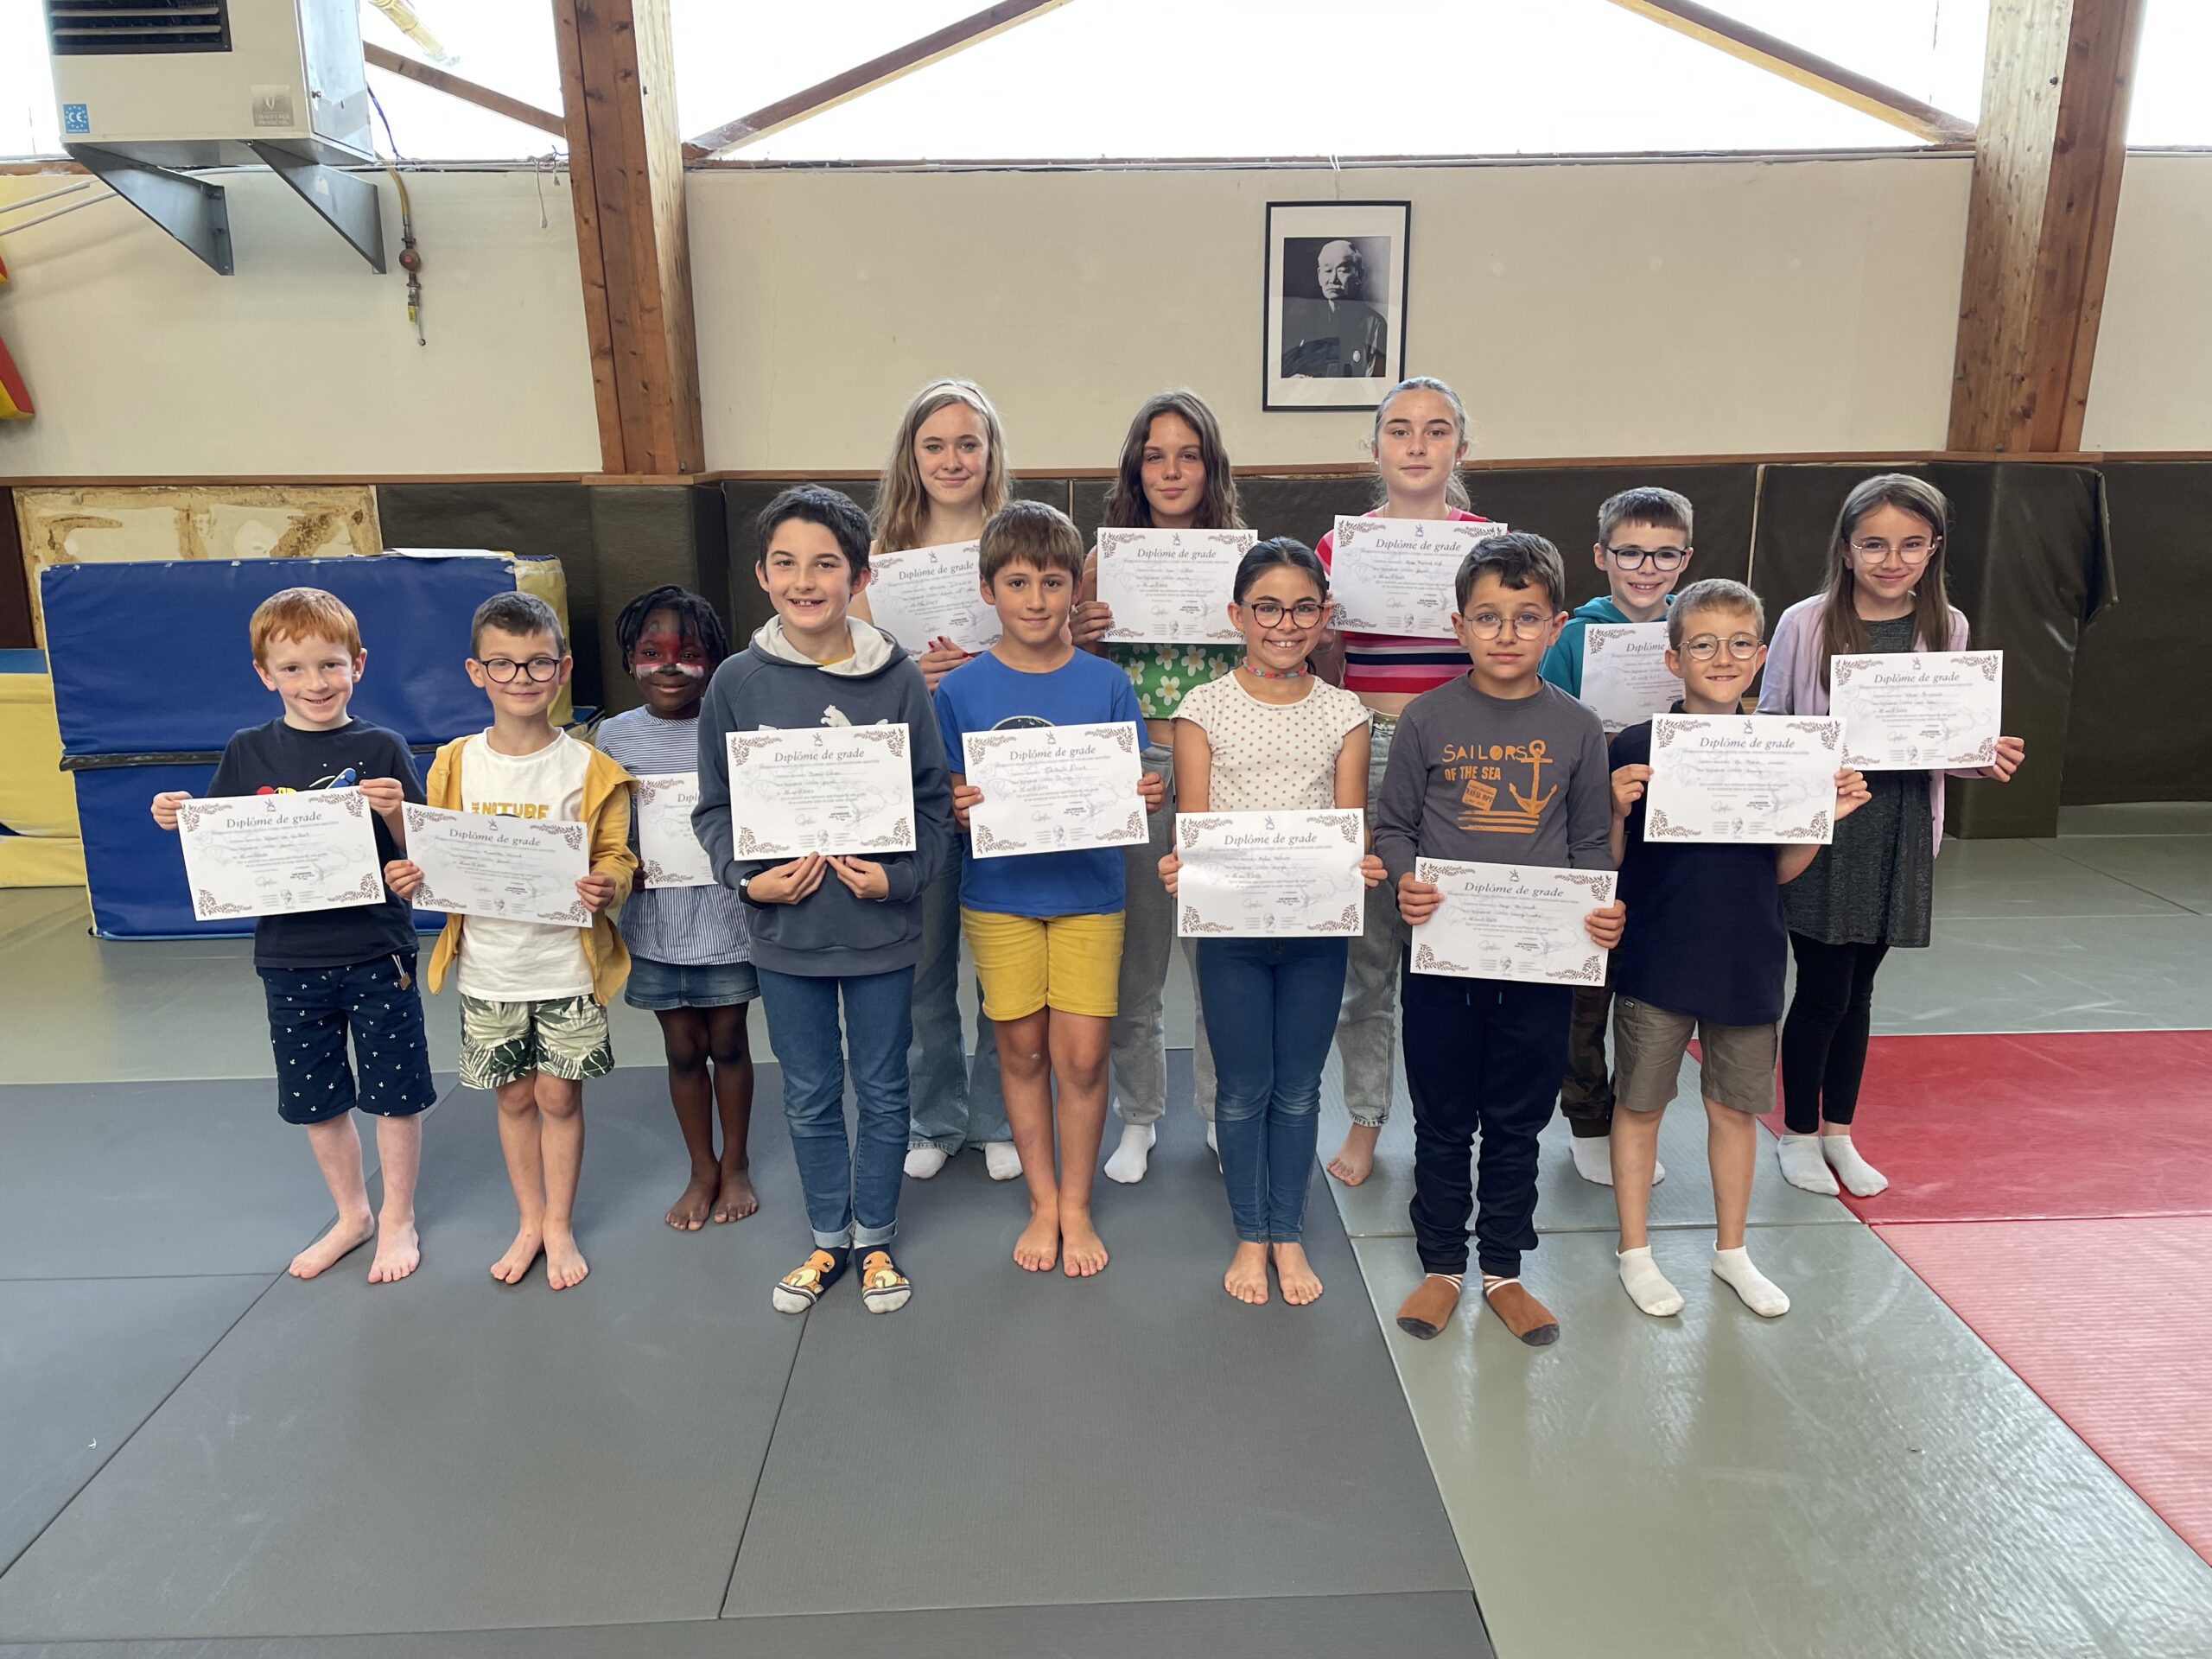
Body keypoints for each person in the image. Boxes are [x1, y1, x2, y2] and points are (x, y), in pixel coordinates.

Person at [694, 485, 953, 1315]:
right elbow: (713, 809)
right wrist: (745, 877)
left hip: (880, 931)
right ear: (763, 577)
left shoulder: (900, 679)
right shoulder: (736, 683)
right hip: (786, 935)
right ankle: (827, 1238)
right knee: (807, 1094)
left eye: (826, 564)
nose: (806, 580)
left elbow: (934, 808)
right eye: (786, 564)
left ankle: (875, 1237)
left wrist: (899, 878)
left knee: (882, 1091)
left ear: (860, 575)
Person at [1376, 533, 1624, 1347]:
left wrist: (1599, 911)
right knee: (1444, 1118)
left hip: (1541, 966)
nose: (1506, 634)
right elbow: (1394, 825)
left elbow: (1591, 843)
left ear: (1556, 626)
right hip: (1444, 956)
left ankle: (1505, 1268)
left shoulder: (1579, 728)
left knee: (1518, 1121)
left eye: (1525, 618)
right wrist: (1409, 879)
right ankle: (1442, 1264)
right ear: (1460, 624)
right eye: (1488, 617)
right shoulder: (1427, 718)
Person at [149, 588, 435, 1285]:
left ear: (358, 665)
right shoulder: (248, 751)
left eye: (331, 665)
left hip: (377, 948)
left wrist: (398, 816)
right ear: (265, 673)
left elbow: (423, 859)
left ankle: (398, 1215)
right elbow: (220, 841)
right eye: (296, 668)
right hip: (289, 956)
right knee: (317, 1097)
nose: (316, 683)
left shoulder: (381, 747)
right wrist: (177, 816)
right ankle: (352, 1213)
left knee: (395, 1092)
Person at [1604, 580, 1872, 1318]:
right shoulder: (1636, 746)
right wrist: (1615, 806)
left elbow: (1779, 870)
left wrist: (1826, 816)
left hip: (1749, 957)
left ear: (1759, 657)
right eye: (1703, 644)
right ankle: (1635, 1249)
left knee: (1735, 1110)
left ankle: (1731, 1251)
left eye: (1738, 644)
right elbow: (1615, 861)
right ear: (1673, 657)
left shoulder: (1784, 751)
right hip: (1659, 956)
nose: (1721, 657)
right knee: (1641, 1104)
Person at [1758, 475, 2024, 1198]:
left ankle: (1841, 1131)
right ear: (1845, 549)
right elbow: (1772, 721)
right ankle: (1799, 1132)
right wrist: (1818, 768)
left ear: (1934, 549)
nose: (1891, 559)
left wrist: (1981, 754)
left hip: (1901, 827)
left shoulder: (1949, 627)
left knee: (1861, 990)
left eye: (1911, 544)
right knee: (1821, 988)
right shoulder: (1805, 622)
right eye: (1873, 543)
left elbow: (1941, 739)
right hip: (1828, 830)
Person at [386, 592, 637, 1294]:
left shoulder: (590, 767)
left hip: (565, 965)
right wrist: (411, 873)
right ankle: (528, 1220)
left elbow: (618, 855)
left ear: (563, 671)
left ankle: (559, 1222)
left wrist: (607, 884)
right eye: (504, 665)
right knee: (515, 1097)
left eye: (537, 665)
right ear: (476, 672)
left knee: (560, 1097)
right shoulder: (455, 764)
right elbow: (434, 851)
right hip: (490, 968)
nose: (521, 679)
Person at [1156, 539, 1382, 1306]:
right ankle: (1251, 1232)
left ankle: (1288, 1230)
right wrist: (1182, 865)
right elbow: (1195, 821)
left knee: (1298, 1088)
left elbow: (1352, 825)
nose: (1285, 624)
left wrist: (1364, 861)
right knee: (1245, 1086)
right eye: (1267, 608)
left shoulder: (1346, 712)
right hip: (1231, 935)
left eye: (1303, 608)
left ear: (1324, 616)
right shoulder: (1201, 710)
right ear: (1237, 616)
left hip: (1318, 930)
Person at [939, 501, 1160, 1275]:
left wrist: (1142, 793)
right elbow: (942, 797)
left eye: (1053, 581)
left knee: (1084, 1057)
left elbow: (1125, 783)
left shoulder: (1105, 685)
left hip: (1089, 894)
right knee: (1022, 1051)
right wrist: (957, 805)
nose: (1036, 599)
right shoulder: (960, 691)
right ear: (988, 588)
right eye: (1018, 581)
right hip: (998, 898)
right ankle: (1042, 1203)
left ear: (1076, 589)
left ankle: (1076, 1204)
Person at [1312, 375, 1491, 1187]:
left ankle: (1453, 1125)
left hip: (1462, 752)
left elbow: (1504, 657)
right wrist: (1323, 629)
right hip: (1366, 745)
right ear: (1375, 447)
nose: (1417, 445)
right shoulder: (1336, 546)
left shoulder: (1487, 547)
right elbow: (1322, 666)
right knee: (1369, 955)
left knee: (1458, 945)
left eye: (1436, 430)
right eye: (1400, 430)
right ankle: (1364, 1119)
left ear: (1461, 447)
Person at [1069, 388, 1244, 1184]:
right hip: (1133, 771)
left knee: (1217, 954)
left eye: (1188, 453)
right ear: (1135, 470)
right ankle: (1138, 1118)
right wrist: (1079, 636)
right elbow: (1069, 677)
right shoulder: (1102, 565)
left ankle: (1218, 1110)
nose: (1171, 470)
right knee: (1136, 960)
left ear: (1210, 466)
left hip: (1224, 765)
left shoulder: (1246, 557)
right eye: (1154, 454)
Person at [855, 378, 1019, 1185]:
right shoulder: (876, 560)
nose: (952, 459)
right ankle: (935, 1114)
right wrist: (908, 676)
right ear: (910, 457)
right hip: (915, 785)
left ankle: (997, 1115)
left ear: (990, 454)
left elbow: (1055, 653)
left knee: (1002, 958)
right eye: (935, 445)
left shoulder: (1019, 544)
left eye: (968, 443)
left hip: (1009, 783)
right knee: (922, 963)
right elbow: (844, 679)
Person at [1538, 486, 1696, 1188]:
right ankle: (1588, 1118)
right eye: (1630, 551)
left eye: (1664, 554)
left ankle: (1636, 1115)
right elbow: (1544, 720)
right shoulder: (1575, 636)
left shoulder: (1694, 631)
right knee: (1586, 989)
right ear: (1602, 555)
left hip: (1674, 842)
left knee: (1648, 988)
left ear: (1685, 559)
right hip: (1590, 834)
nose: (1646, 566)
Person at [592, 586, 759, 1232]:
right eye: (651, 652)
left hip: (725, 918)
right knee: (682, 1049)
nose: (669, 666)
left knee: (729, 1041)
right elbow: (608, 832)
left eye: (689, 654)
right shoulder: (613, 737)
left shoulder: (736, 729)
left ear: (715, 661)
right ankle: (701, 1167)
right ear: (630, 660)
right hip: (656, 923)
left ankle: (737, 1163)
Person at [1281, 239, 1389, 379]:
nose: (1333, 279)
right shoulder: (1304, 320)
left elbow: (1376, 387)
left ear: (1359, 275)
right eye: (1327, 270)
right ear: (1320, 275)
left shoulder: (1375, 325)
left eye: (1342, 270)